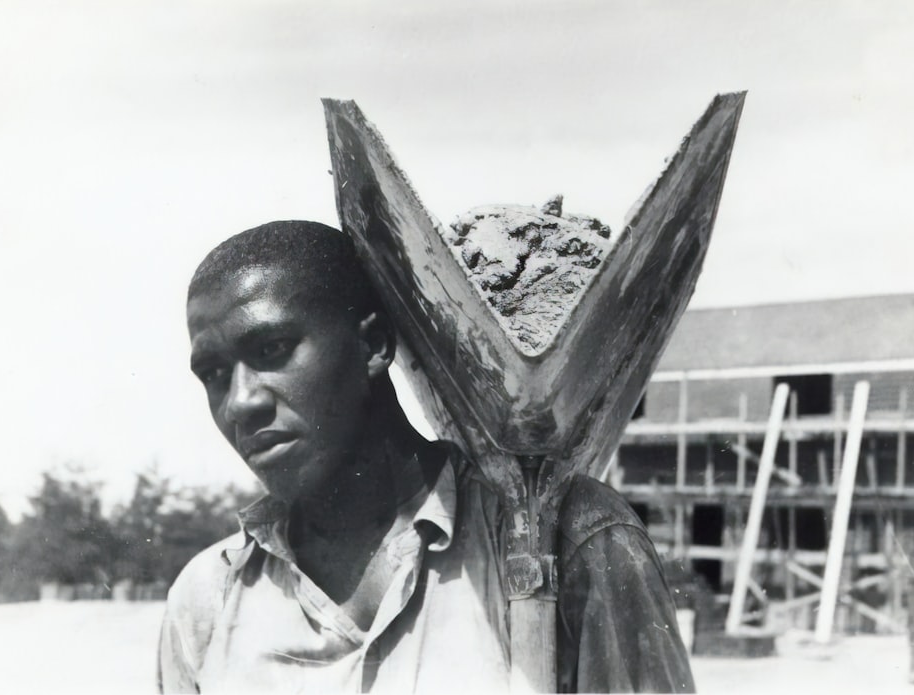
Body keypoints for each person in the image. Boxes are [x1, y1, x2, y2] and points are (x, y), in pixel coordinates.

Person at [158, 220, 695, 693]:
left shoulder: (569, 538)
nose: (240, 402)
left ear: (373, 346)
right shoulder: (208, 600)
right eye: (214, 374)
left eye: (271, 350)